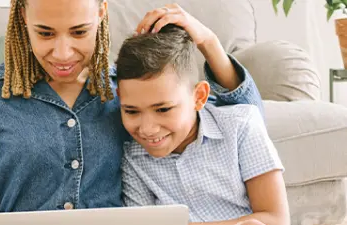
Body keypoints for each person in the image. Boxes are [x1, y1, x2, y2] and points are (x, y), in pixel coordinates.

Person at [0, 1, 263, 225]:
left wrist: (209, 43)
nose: (62, 52)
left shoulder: (131, 90)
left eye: (79, 31)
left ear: (101, 12)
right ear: (22, 16)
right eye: (44, 33)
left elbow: (243, 121)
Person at [116, 24, 290, 225]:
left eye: (163, 109)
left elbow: (275, 219)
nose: (147, 129)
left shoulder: (241, 126)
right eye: (131, 111)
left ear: (199, 97)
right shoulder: (133, 158)